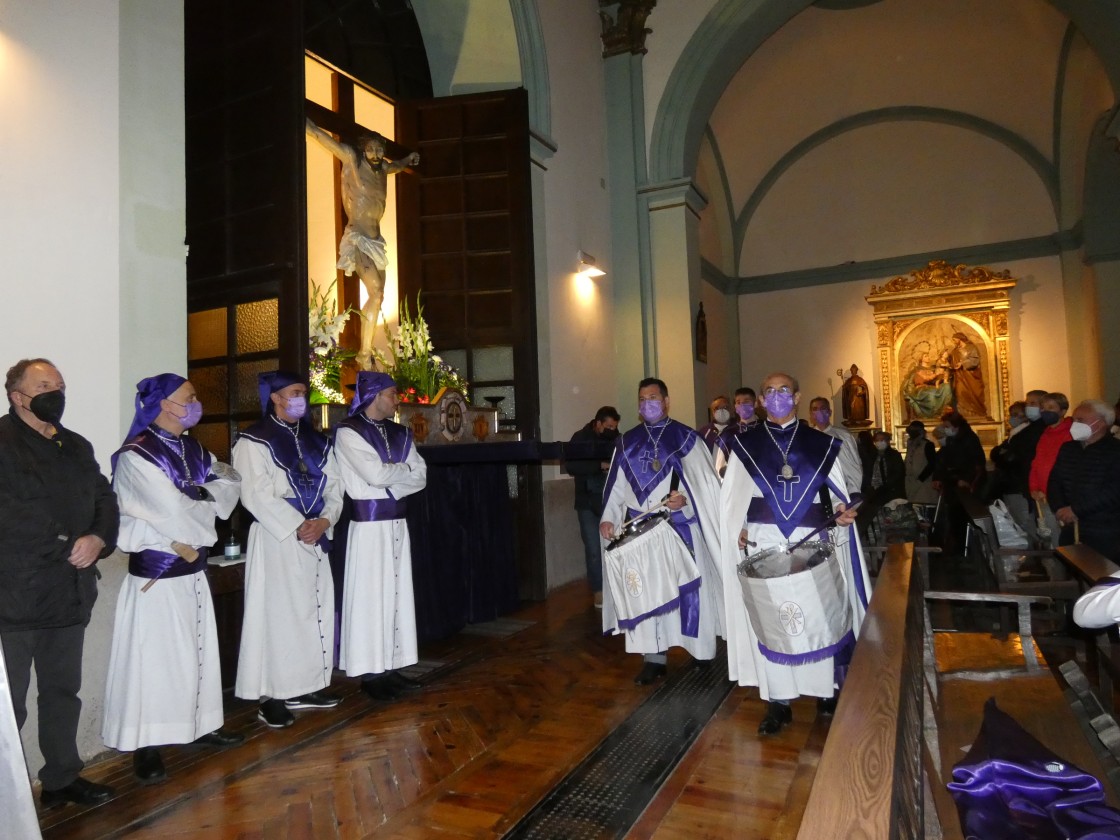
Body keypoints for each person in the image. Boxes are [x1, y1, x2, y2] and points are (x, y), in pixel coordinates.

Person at [102, 374, 244, 785]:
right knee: (154, 660)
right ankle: (146, 743)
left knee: (196, 651)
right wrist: (202, 496)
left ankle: (199, 724)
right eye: (190, 397)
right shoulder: (136, 456)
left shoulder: (193, 448)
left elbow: (231, 483)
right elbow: (172, 512)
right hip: (158, 576)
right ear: (164, 404)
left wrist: (196, 497)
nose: (197, 402)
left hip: (192, 570)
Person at [720, 373, 869, 735]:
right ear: (759, 400)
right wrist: (736, 525)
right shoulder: (746, 444)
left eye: (784, 390)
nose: (776, 397)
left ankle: (824, 691)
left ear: (798, 396)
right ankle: (779, 701)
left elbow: (836, 491)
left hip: (812, 535)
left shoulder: (820, 443)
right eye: (768, 391)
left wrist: (843, 510)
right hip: (762, 537)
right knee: (774, 619)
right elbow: (732, 496)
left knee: (819, 614)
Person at [0, 359, 119, 808]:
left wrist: (99, 538)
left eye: (61, 385)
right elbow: (9, 514)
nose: (56, 392)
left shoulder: (76, 445)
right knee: (8, 706)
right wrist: (70, 540)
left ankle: (61, 778)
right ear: (17, 396)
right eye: (44, 385)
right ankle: (8, 794)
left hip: (69, 592)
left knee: (62, 693)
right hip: (14, 596)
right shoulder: (2, 442)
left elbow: (104, 499)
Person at [232, 372, 344, 729]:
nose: (301, 399)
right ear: (275, 398)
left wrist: (325, 520)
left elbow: (336, 487)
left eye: (304, 393)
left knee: (314, 611)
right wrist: (298, 525)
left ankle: (307, 684)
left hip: (315, 535)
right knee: (277, 616)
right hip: (278, 538)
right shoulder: (253, 440)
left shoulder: (318, 441)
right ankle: (272, 696)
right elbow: (255, 494)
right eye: (294, 393)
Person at [599, 378, 724, 685]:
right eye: (642, 399)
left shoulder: (687, 439)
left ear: (667, 401)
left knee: (689, 593)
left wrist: (686, 502)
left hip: (679, 527)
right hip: (640, 531)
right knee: (647, 593)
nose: (647, 404)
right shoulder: (627, 441)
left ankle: (700, 652)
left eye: (653, 397)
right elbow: (617, 488)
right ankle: (653, 658)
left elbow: (706, 489)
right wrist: (609, 518)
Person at [333, 371, 427, 701]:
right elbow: (373, 474)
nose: (397, 399)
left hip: (396, 524)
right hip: (369, 529)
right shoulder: (349, 432)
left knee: (397, 594)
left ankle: (392, 664)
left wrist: (392, 476)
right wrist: (399, 474)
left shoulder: (400, 433)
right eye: (391, 394)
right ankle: (371, 672)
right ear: (373, 395)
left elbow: (422, 476)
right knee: (372, 596)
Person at [305, 117, 420, 369]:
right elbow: (319, 136)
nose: (376, 154)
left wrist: (409, 159)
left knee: (378, 298)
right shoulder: (352, 160)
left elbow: (397, 165)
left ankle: (365, 353)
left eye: (379, 149)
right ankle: (364, 354)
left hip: (377, 241)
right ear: (363, 149)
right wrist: (305, 123)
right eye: (371, 149)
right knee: (376, 290)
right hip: (358, 237)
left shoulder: (384, 169)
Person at [1047, 400, 1120, 562]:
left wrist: (1077, 510)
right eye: (1074, 420)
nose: (1074, 424)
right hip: (1070, 526)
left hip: (1104, 530)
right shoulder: (1068, 448)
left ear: (1100, 424)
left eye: (1080, 420)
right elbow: (1054, 481)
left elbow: (1114, 491)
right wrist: (1059, 508)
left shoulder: (1115, 451)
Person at [565, 406, 620, 609]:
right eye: (608, 426)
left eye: (615, 427)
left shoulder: (616, 439)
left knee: (615, 546)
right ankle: (598, 591)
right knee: (594, 550)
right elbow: (571, 466)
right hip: (587, 502)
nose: (612, 430)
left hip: (609, 501)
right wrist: (599, 466)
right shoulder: (580, 438)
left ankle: (616, 587)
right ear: (598, 423)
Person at [1029, 392, 1073, 547]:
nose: (1044, 411)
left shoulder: (1070, 433)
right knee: (1050, 538)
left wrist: (1049, 490)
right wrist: (1033, 487)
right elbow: (1037, 463)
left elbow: (1065, 468)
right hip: (1042, 495)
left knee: (1064, 540)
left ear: (1062, 411)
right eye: (1042, 407)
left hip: (1060, 496)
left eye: (1050, 407)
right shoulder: (1045, 434)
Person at [806, 396, 862, 496]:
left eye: (822, 408)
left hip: (841, 489)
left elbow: (854, 465)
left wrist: (854, 491)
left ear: (829, 412)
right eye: (815, 409)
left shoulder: (843, 436)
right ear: (811, 414)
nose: (819, 412)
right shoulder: (806, 438)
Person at [932, 411, 985, 493]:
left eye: (947, 426)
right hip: (951, 480)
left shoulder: (969, 438)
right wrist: (937, 477)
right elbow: (941, 459)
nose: (945, 429)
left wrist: (967, 479)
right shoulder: (950, 439)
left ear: (956, 426)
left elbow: (977, 462)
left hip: (965, 482)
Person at [947, 332, 987, 417]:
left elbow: (975, 360)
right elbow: (952, 362)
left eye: (954, 340)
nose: (954, 342)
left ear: (959, 339)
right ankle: (963, 414)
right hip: (959, 376)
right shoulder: (955, 351)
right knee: (960, 392)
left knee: (973, 395)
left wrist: (962, 364)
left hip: (971, 376)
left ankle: (974, 413)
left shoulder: (971, 348)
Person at [903, 420, 938, 511]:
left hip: (924, 483)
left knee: (924, 509)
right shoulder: (910, 444)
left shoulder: (928, 445)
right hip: (910, 483)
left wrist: (920, 479)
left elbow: (932, 464)